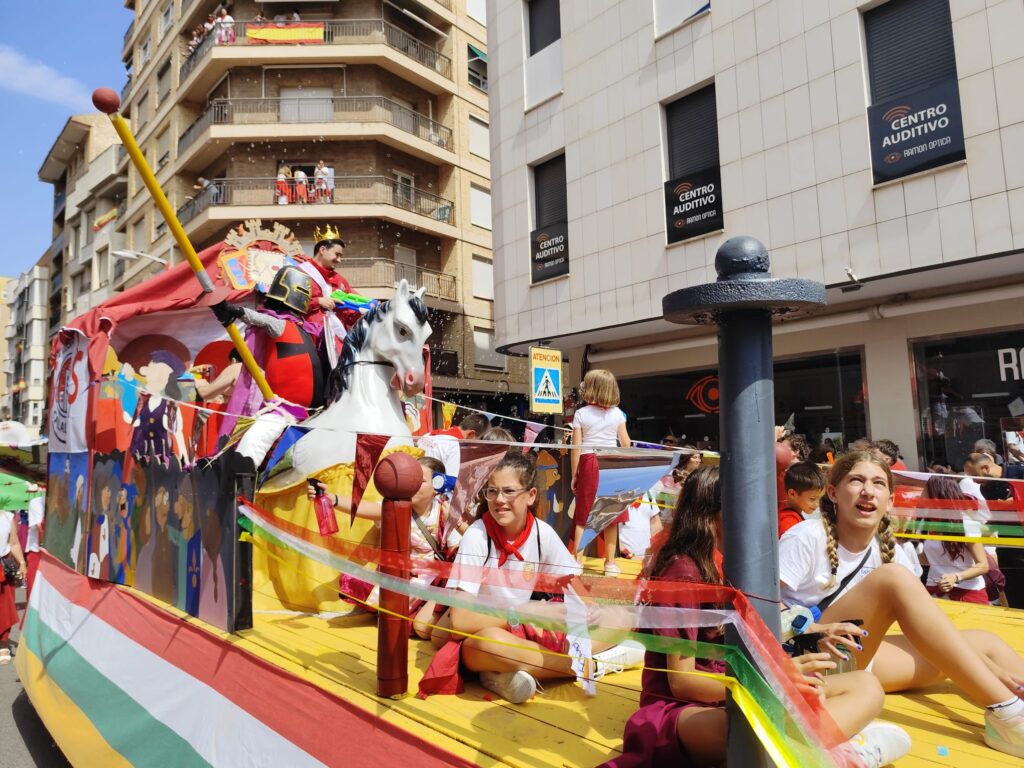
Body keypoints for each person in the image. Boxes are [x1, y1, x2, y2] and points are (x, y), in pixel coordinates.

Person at [607, 465, 911, 768]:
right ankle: (840, 754)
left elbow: (767, 624)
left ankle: (819, 752)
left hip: (741, 695)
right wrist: (772, 684)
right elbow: (682, 683)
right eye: (747, 508)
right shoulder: (684, 571)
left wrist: (812, 636)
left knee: (867, 686)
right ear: (715, 512)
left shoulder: (731, 562)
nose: (758, 519)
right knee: (751, 730)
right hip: (684, 711)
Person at [779, 450, 1024, 757]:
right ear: (833, 493)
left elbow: (935, 629)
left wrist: (991, 672)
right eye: (856, 480)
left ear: (890, 500)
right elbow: (760, 605)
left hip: (860, 657)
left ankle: (1012, 701)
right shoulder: (805, 537)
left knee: (986, 644)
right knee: (893, 579)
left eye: (878, 483)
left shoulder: (889, 548)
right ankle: (1008, 715)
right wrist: (813, 627)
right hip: (811, 657)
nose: (868, 491)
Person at [428, 451, 645, 703]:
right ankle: (592, 666)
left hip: (526, 634)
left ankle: (506, 673)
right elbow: (461, 621)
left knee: (619, 617)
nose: (499, 500)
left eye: (509, 491)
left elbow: (570, 581)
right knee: (490, 644)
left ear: (531, 495)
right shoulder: (477, 536)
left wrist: (590, 610)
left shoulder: (542, 533)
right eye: (492, 491)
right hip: (488, 633)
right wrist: (525, 612)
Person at [309, 456, 452, 637]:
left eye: (420, 480)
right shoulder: (395, 505)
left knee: (412, 622)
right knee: (357, 582)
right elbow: (365, 508)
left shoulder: (445, 510)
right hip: (402, 573)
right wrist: (332, 498)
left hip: (433, 579)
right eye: (410, 479)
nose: (413, 484)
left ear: (438, 485)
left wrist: (455, 521)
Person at [570, 369, 631, 574]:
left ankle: (577, 562)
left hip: (589, 461)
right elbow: (626, 444)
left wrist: (575, 475)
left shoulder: (581, 414)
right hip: (612, 462)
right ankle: (610, 563)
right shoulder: (617, 414)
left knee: (583, 515)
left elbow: (576, 449)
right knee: (611, 515)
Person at [917, 476, 989, 604]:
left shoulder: (966, 523)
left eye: (925, 490)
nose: (921, 495)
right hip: (934, 590)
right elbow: (929, 558)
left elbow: (983, 565)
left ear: (938, 494)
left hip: (968, 593)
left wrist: (956, 577)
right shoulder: (924, 523)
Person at [419, 413, 490, 478]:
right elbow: (450, 481)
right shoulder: (454, 446)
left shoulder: (428, 435)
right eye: (477, 440)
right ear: (471, 434)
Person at [0, 507, 27, 664]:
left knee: (4, 608)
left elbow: (14, 543)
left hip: (3, 568)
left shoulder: (8, 517)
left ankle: (3, 644)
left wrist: (22, 563)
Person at [779, 461, 825, 537]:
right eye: (812, 499)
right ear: (792, 494)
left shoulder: (783, 507)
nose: (817, 504)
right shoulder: (789, 522)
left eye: (820, 498)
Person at [23, 488, 44, 602]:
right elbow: (41, 528)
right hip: (37, 551)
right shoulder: (36, 502)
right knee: (34, 589)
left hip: (56, 553)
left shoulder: (67, 504)